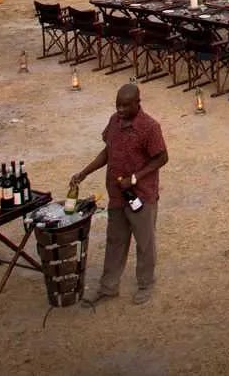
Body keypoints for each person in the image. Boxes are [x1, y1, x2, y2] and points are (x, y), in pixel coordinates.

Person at [70, 83, 170, 304]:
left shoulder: (150, 127)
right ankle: (108, 287)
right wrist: (84, 173)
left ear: (137, 103)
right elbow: (108, 151)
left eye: (125, 106)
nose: (121, 110)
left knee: (144, 242)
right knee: (115, 240)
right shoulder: (114, 121)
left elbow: (162, 158)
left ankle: (146, 284)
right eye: (118, 105)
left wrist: (135, 178)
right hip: (116, 194)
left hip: (141, 195)